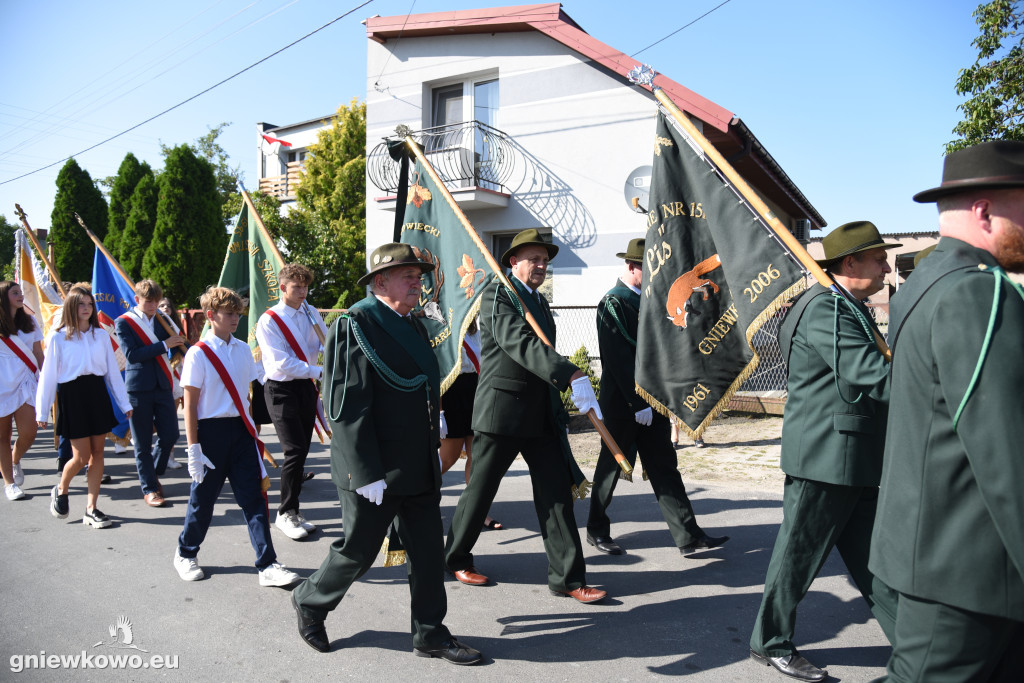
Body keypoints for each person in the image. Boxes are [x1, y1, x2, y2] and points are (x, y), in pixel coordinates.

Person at [870, 141, 1024, 681]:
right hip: (967, 574)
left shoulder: (925, 282)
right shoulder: (979, 292)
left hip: (940, 554)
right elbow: (1009, 455)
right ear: (984, 210)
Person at [291, 243, 482, 664]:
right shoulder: (355, 324)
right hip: (374, 466)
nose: (418, 281)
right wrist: (365, 471)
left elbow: (419, 386)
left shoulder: (412, 325)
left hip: (417, 460)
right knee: (357, 551)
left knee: (429, 553)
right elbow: (345, 406)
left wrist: (438, 424)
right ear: (381, 281)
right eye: (408, 275)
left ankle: (430, 633)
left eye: (419, 275)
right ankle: (311, 600)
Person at [749, 221, 901, 682]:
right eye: (878, 258)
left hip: (850, 454)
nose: (887, 267)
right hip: (826, 455)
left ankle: (917, 645)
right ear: (849, 262)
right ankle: (770, 641)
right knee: (797, 556)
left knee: (877, 560)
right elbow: (868, 373)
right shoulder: (826, 309)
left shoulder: (840, 305)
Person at [444, 228, 607, 604]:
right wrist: (571, 373)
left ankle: (567, 577)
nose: (540, 265)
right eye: (533, 258)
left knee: (555, 495)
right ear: (513, 262)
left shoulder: (540, 302)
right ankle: (454, 557)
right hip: (503, 411)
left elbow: (541, 347)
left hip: (542, 414)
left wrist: (566, 381)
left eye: (544, 260)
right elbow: (520, 342)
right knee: (480, 491)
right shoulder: (498, 294)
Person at [585, 239, 728, 557]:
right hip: (626, 403)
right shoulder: (614, 302)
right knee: (612, 467)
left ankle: (688, 535)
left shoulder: (649, 300)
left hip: (654, 401)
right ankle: (596, 530)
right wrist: (638, 403)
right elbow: (619, 358)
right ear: (632, 266)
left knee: (664, 465)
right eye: (646, 269)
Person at [173, 286, 300, 589]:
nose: (235, 319)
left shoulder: (244, 349)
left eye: (238, 314)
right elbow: (189, 404)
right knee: (203, 501)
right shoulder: (197, 354)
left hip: (242, 432)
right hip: (210, 432)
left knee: (254, 500)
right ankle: (185, 552)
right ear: (210, 316)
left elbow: (257, 387)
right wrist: (193, 448)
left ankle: (267, 563)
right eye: (229, 314)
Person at [37, 284, 133, 528]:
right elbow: (48, 376)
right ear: (71, 307)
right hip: (73, 396)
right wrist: (42, 409)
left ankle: (91, 508)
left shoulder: (100, 335)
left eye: (90, 304)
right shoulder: (58, 338)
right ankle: (61, 489)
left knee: (98, 453)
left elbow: (112, 372)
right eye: (81, 304)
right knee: (81, 456)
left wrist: (124, 403)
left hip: (96, 394)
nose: (87, 308)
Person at [255, 263, 328, 541]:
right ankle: (285, 513)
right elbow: (281, 363)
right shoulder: (270, 320)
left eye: (306, 286)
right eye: (296, 286)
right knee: (294, 451)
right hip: (281, 388)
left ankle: (294, 510)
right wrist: (320, 371)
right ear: (283, 287)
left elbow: (324, 342)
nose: (302, 291)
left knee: (302, 451)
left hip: (306, 386)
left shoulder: (309, 312)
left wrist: (332, 350)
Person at [115, 279, 186, 507]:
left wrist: (180, 345)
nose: (154, 305)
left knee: (170, 435)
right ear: (137, 300)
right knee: (142, 443)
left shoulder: (163, 320)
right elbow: (132, 355)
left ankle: (153, 472)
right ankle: (150, 489)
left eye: (156, 301)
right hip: (138, 389)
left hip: (163, 385)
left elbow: (177, 345)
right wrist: (165, 345)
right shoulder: (124, 322)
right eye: (149, 301)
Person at [438, 318, 500, 530]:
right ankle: (417, 500)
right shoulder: (444, 327)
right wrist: (438, 412)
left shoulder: (479, 328)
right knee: (448, 457)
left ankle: (479, 512)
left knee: (478, 455)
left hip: (476, 388)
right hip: (451, 390)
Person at [0, 281, 44, 501]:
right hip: (1, 383)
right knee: (2, 436)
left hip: (26, 381)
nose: (20, 295)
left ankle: (15, 460)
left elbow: (38, 353)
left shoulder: (30, 321)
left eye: (20, 292)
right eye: (14, 292)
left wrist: (46, 379)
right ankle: (9, 484)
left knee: (29, 432)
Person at [156, 296, 185, 469]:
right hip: (160, 376)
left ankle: (169, 456)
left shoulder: (176, 328)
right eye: (161, 305)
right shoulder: (152, 329)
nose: (165, 307)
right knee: (159, 421)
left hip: (176, 375)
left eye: (168, 305)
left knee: (171, 419)